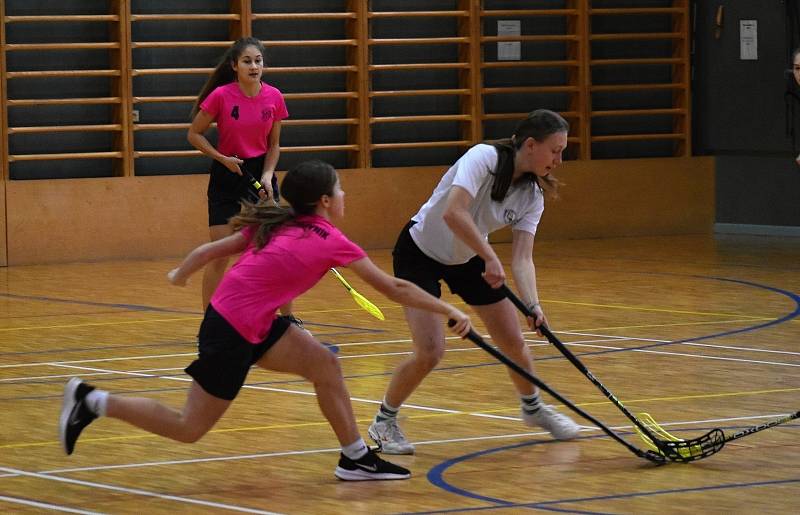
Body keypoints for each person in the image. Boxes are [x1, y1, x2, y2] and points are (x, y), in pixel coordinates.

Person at [58, 160, 472, 481]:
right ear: (325, 201)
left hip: (251, 320)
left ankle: (355, 457)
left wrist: (180, 274)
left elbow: (209, 253)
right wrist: (449, 309)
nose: (344, 195)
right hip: (231, 329)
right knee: (189, 427)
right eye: (340, 189)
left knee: (325, 365)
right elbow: (395, 288)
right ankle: (91, 402)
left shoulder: (278, 223)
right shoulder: (328, 239)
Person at [367, 109, 581, 455]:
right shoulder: (483, 158)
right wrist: (490, 256)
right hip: (420, 252)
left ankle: (533, 408)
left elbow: (523, 258)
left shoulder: (532, 197)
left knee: (513, 339)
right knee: (431, 351)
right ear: (530, 145)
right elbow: (454, 212)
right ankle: (383, 421)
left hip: (467, 258)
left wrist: (533, 304)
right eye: (555, 150)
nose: (560, 159)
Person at [187, 37, 297, 320]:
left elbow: (274, 145)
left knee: (274, 252)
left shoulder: (274, 97)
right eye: (247, 61)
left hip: (261, 174)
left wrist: (269, 175)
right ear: (234, 66)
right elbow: (194, 134)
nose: (254, 66)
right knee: (219, 254)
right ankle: (210, 321)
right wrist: (221, 158)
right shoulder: (221, 96)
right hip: (227, 173)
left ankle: (288, 318)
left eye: (258, 61)